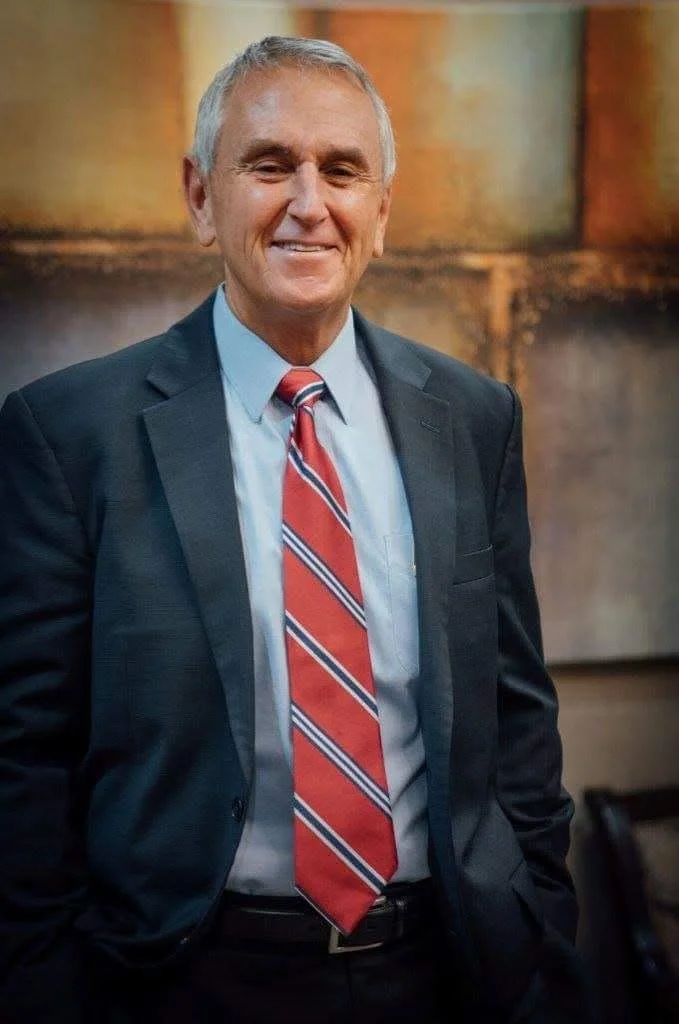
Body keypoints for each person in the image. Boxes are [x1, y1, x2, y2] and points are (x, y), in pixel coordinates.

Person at [0, 35, 589, 1024]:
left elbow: (514, 713)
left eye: (342, 170)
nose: (308, 202)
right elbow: (24, 754)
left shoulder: (471, 418)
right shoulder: (67, 434)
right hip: (179, 978)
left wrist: (537, 926)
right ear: (199, 196)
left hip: (448, 969)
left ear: (381, 211)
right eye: (269, 165)